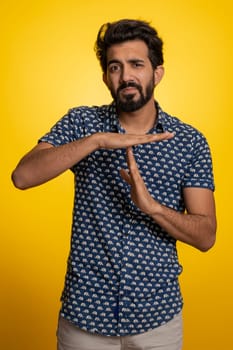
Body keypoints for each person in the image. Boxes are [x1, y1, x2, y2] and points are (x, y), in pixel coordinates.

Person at [11, 19, 217, 350]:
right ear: (106, 76)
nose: (126, 76)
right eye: (115, 67)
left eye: (137, 64)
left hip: (157, 321)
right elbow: (22, 176)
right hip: (84, 320)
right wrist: (97, 141)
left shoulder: (189, 142)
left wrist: (150, 207)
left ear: (157, 73)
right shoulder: (82, 123)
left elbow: (206, 235)